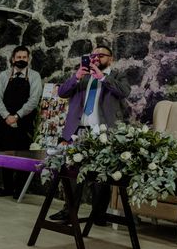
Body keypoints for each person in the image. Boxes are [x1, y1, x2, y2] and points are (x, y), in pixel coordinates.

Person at [49, 44, 131, 223]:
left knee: (101, 175)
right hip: (79, 131)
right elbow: (62, 92)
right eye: (94, 55)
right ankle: (69, 210)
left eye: (102, 55)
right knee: (71, 173)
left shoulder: (117, 76)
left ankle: (99, 214)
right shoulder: (83, 76)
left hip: (103, 132)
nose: (97, 58)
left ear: (111, 59)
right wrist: (77, 76)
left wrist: (102, 77)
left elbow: (124, 91)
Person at [0, 45, 42, 198]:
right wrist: (7, 116)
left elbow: (34, 100)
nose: (21, 60)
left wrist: (18, 116)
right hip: (4, 122)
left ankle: (19, 190)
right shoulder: (4, 75)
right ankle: (7, 188)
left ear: (28, 59)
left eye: (24, 57)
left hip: (24, 122)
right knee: (5, 154)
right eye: (18, 57)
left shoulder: (34, 76)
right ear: (13, 59)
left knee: (23, 155)